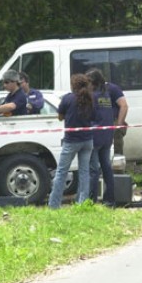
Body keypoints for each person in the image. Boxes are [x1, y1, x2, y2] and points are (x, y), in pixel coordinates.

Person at [48, 74, 95, 209]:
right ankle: (82, 203)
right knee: (84, 172)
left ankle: (54, 205)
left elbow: (60, 117)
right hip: (87, 140)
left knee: (62, 172)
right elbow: (93, 117)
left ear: (73, 85)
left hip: (71, 140)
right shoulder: (90, 99)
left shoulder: (67, 98)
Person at [85, 69, 117, 207]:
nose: (87, 86)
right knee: (107, 168)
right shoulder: (106, 96)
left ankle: (91, 201)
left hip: (95, 136)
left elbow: (88, 116)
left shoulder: (92, 97)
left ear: (94, 83)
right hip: (107, 136)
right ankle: (110, 200)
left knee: (93, 170)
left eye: (88, 82)